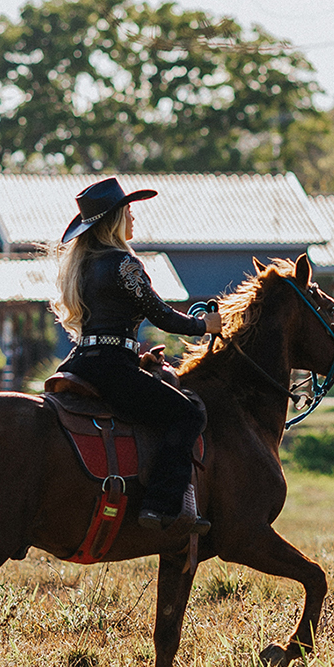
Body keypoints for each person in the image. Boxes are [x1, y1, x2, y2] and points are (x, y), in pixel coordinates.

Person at [54, 177, 223, 539]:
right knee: (189, 412)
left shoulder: (83, 265)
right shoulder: (123, 265)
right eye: (128, 211)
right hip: (112, 368)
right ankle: (161, 505)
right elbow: (161, 314)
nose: (134, 218)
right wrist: (204, 324)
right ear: (114, 219)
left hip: (82, 360)